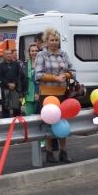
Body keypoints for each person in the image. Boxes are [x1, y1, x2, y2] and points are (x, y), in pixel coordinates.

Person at [35, 26, 76, 164]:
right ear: (46, 41)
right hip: (47, 95)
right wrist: (55, 78)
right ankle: (49, 152)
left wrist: (65, 74)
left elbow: (73, 71)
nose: (54, 42)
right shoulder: (42, 55)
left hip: (62, 94)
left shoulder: (63, 54)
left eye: (56, 40)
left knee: (63, 123)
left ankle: (63, 152)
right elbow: (38, 75)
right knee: (49, 123)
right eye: (52, 40)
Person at [0, 48, 26, 117]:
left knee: (17, 106)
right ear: (4, 55)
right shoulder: (1, 65)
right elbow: (0, 77)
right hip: (5, 89)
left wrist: (14, 83)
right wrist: (8, 84)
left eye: (10, 53)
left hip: (15, 89)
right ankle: (5, 122)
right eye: (7, 54)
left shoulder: (16, 64)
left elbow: (19, 75)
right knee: (5, 106)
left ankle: (18, 121)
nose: (8, 55)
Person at [23, 43, 40, 116]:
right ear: (29, 52)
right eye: (32, 51)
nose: (34, 53)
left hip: (39, 92)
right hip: (28, 93)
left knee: (39, 115)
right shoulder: (25, 64)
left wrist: (38, 93)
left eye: (36, 51)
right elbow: (22, 78)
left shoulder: (42, 63)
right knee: (29, 115)